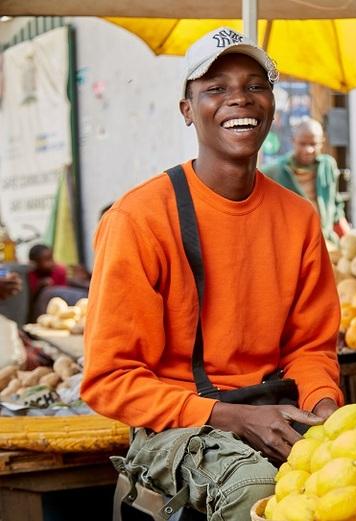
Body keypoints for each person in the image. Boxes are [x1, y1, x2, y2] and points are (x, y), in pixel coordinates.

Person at [81, 27, 342, 520]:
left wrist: (324, 405)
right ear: (187, 110)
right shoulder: (138, 220)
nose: (238, 99)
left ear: (272, 104)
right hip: (173, 424)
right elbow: (109, 379)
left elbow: (309, 348)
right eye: (215, 88)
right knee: (258, 488)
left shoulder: (299, 217)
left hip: (273, 406)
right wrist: (233, 417)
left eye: (254, 85)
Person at [263, 117, 349, 248]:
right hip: (291, 248)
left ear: (322, 143)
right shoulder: (273, 172)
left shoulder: (328, 166)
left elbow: (336, 209)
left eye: (313, 144)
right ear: (293, 141)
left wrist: (349, 242)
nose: (308, 150)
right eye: (302, 144)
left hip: (326, 243)